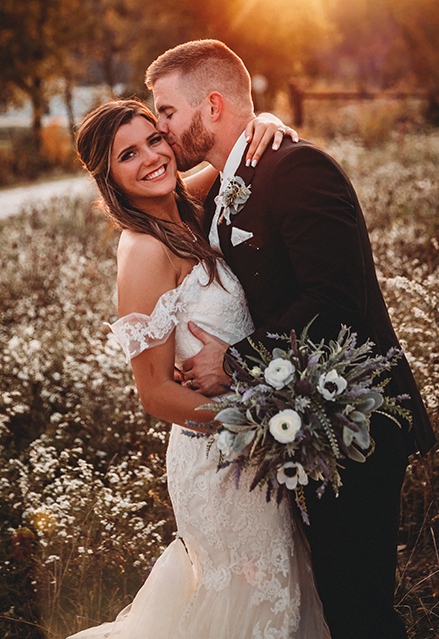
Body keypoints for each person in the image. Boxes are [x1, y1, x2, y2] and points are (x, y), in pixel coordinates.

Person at [145, 40, 437, 639]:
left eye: (167, 113)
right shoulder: (228, 183)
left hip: (357, 422)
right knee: (335, 601)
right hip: (299, 425)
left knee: (359, 609)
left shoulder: (297, 167)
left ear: (214, 105)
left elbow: (335, 304)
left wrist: (234, 361)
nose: (161, 127)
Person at [69, 98, 329, 639]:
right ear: (110, 179)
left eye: (155, 140)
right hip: (216, 462)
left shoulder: (187, 202)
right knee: (249, 603)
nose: (151, 159)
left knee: (281, 590)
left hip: (255, 449)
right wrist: (256, 418)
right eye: (128, 155)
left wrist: (267, 122)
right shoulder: (143, 252)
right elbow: (155, 394)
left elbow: (244, 147)